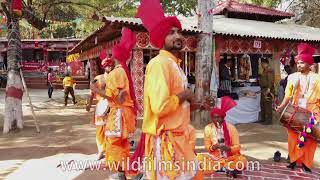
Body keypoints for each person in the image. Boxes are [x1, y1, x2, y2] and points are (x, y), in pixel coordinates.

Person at [137, 0, 205, 179]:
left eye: (178, 31)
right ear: (161, 39)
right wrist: (186, 94)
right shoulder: (159, 64)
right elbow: (160, 107)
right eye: (171, 32)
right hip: (166, 141)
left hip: (180, 137)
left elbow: (177, 105)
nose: (178, 36)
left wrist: (198, 105)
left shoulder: (175, 65)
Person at [90, 28, 137, 179]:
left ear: (116, 57)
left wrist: (94, 89)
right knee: (122, 145)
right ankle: (124, 173)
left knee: (114, 144)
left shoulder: (116, 73)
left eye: (111, 55)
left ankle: (125, 173)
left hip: (118, 113)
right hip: (124, 113)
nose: (109, 58)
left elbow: (116, 98)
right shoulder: (122, 71)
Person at [276, 43, 320, 173]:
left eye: (302, 63)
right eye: (298, 62)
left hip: (313, 111)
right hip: (295, 112)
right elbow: (288, 95)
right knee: (293, 137)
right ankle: (294, 160)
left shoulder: (317, 78)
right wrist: (282, 106)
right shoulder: (292, 77)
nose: (299, 65)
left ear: (309, 64)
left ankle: (307, 163)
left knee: (310, 138)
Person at [197, 96, 247, 178]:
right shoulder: (208, 128)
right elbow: (207, 147)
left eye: (218, 117)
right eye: (214, 117)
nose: (216, 120)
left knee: (242, 160)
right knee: (199, 158)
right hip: (214, 158)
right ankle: (227, 168)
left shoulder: (231, 128)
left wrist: (228, 149)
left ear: (223, 117)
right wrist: (214, 147)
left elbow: (237, 147)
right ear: (211, 118)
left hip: (230, 157)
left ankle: (227, 167)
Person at [86, 57, 115, 160]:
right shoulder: (98, 78)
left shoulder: (115, 78)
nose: (109, 67)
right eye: (107, 65)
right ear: (103, 67)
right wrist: (88, 104)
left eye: (111, 65)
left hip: (112, 107)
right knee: (100, 130)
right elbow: (91, 92)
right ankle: (101, 150)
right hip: (101, 107)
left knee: (111, 130)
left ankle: (109, 150)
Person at [259, 57, 275, 125]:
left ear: (266, 63)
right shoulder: (264, 70)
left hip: (268, 90)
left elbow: (270, 80)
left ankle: (268, 120)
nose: (262, 65)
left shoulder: (269, 70)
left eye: (262, 63)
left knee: (268, 105)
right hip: (263, 89)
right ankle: (263, 119)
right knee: (262, 104)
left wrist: (268, 89)